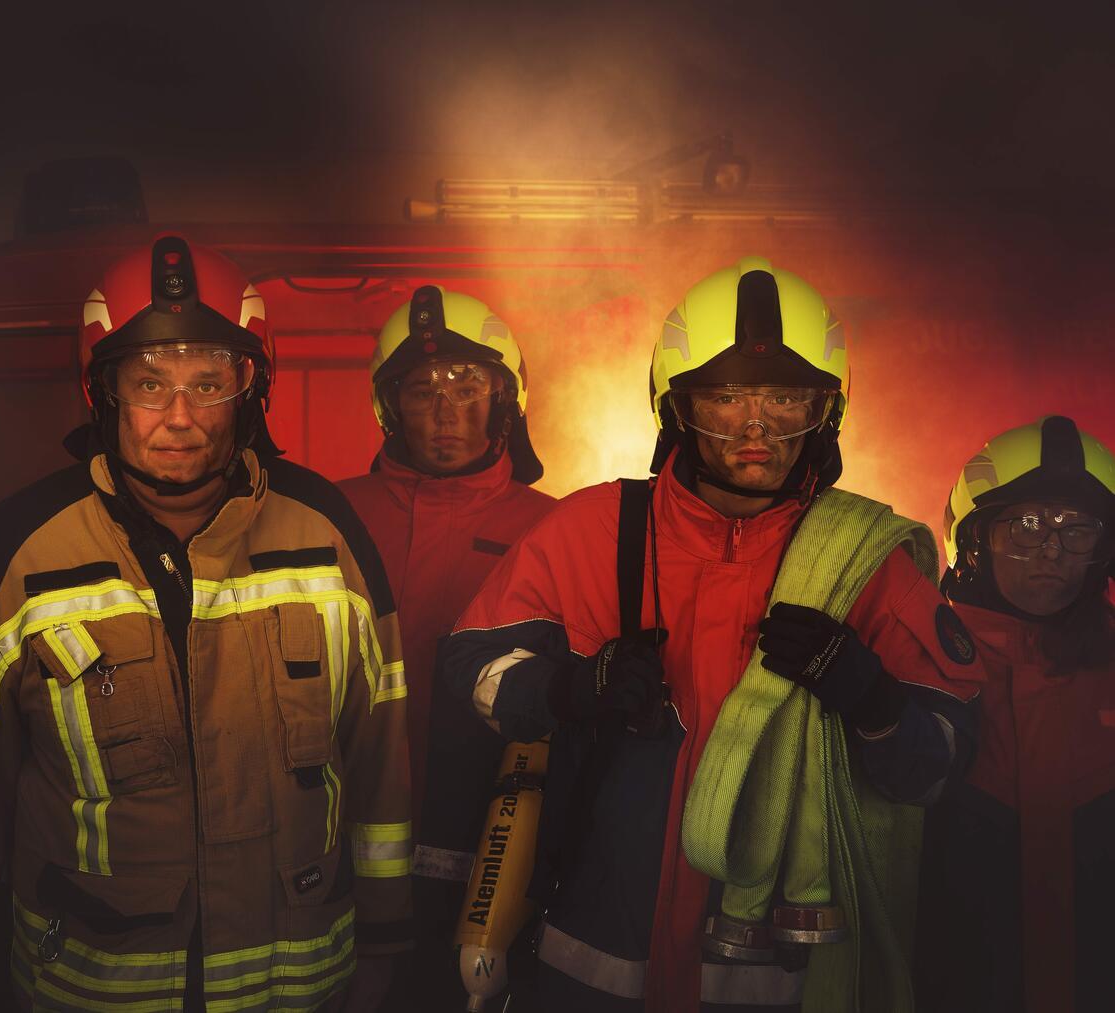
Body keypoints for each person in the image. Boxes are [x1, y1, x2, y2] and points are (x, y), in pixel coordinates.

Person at [440, 256, 982, 1012]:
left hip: (778, 986)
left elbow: (940, 769)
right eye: (725, 397)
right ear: (675, 407)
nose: (756, 426)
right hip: (589, 966)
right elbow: (470, 668)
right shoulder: (595, 530)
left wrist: (873, 702)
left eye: (786, 397)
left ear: (826, 410)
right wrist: (568, 687)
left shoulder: (868, 564)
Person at [0, 235, 410, 1013]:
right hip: (92, 992)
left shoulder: (326, 536)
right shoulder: (20, 553)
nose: (179, 417)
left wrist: (390, 951)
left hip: (304, 992)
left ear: (251, 390)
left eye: (208, 384)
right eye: (148, 383)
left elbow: (379, 756)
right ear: (101, 391)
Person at [338, 286, 555, 1008]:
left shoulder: (562, 530)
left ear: (507, 397)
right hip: (339, 873)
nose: (445, 406)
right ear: (387, 404)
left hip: (497, 870)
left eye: (469, 384)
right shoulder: (324, 519)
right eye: (421, 387)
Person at [917, 415, 1115, 1013]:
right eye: (1026, 526)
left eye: (1077, 529)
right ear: (974, 541)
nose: (1051, 549)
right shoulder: (916, 663)